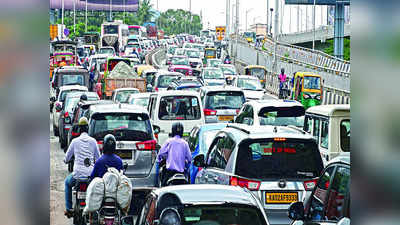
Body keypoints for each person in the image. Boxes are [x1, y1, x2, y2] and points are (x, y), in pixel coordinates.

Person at [64, 117, 100, 217]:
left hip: (77, 176)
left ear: (79, 129)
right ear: (88, 128)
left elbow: (66, 158)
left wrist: (66, 160)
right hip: (90, 176)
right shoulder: (93, 141)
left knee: (67, 183)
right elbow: (98, 159)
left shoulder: (75, 141)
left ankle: (68, 208)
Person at [156, 122, 192, 186]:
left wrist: (159, 160)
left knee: (163, 186)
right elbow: (189, 158)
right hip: (182, 172)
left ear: (172, 131)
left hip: (169, 172)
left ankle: (156, 184)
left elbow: (160, 154)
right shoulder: (185, 143)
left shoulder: (169, 141)